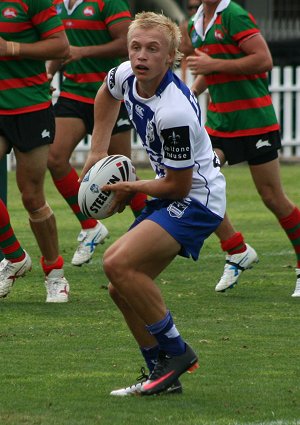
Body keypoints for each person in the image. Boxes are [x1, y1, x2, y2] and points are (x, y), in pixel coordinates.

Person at [80, 11, 226, 396]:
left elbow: (179, 186)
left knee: (116, 262)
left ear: (171, 57)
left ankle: (177, 353)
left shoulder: (174, 111)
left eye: (153, 49)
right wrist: (97, 150)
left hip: (197, 200)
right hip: (175, 189)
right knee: (120, 286)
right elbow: (106, 92)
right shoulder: (127, 74)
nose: (141, 56)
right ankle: (161, 373)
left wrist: (131, 186)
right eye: (135, 47)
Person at [186, 0, 300, 297]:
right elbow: (210, 70)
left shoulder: (233, 15)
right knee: (198, 182)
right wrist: (191, 92)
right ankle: (236, 249)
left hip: (254, 122)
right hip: (220, 124)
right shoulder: (196, 23)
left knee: (273, 198)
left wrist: (213, 66)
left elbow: (263, 60)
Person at [47, 0, 147, 267]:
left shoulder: (109, 2)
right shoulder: (56, 4)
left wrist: (84, 52)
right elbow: (61, 47)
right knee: (54, 158)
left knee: (124, 173)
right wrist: (47, 75)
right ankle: (90, 226)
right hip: (73, 93)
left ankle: (150, 227)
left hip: (111, 93)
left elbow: (127, 43)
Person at [0, 0, 70, 302]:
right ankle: (15, 256)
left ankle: (55, 273)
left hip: (29, 107)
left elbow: (61, 47)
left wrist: (12, 49)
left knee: (31, 196)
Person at [179, 0, 202, 83]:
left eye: (196, 7)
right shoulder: (183, 25)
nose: (194, 10)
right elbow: (182, 48)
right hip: (187, 65)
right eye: (190, 8)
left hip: (204, 65)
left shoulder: (208, 23)